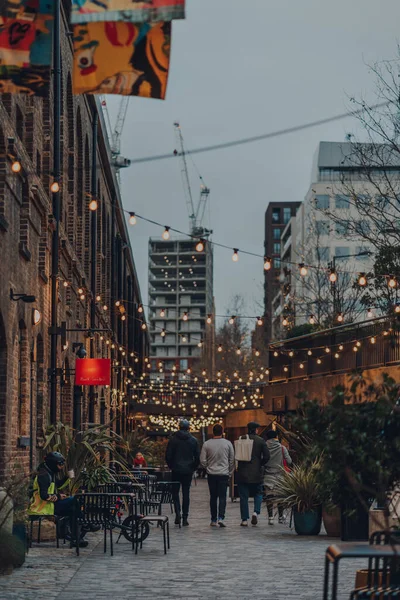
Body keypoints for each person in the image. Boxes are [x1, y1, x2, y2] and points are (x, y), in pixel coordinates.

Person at [28, 451, 88, 548]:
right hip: (42, 508)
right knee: (73, 500)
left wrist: (67, 477)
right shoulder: (43, 475)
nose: (62, 467)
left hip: (50, 505)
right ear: (53, 463)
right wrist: (59, 496)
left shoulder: (49, 472)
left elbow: (58, 485)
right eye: (60, 464)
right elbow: (44, 495)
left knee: (73, 510)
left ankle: (76, 539)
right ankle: (84, 524)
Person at [165, 419, 200, 526]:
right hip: (188, 470)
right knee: (186, 493)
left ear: (179, 427)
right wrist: (193, 467)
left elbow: (168, 456)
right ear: (188, 428)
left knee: (175, 493)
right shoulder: (193, 440)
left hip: (176, 470)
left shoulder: (173, 440)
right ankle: (185, 517)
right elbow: (197, 457)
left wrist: (172, 466)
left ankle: (177, 514)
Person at [200, 423, 235, 527]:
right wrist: (230, 472)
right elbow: (232, 459)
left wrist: (207, 467)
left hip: (212, 474)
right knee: (223, 497)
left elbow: (202, 460)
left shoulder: (206, 444)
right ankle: (221, 517)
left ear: (212, 432)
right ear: (222, 432)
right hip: (224, 473)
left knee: (213, 497)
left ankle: (213, 519)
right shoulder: (228, 443)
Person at [236, 421, 270, 527]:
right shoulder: (260, 441)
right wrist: (260, 464)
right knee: (258, 493)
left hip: (242, 472)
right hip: (256, 472)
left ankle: (244, 519)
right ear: (256, 430)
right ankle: (256, 512)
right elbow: (267, 456)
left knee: (243, 496)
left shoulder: (241, 439)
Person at [264, 429, 292, 525]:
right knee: (280, 496)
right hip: (280, 475)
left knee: (269, 496)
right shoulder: (282, 448)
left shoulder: (264, 447)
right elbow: (289, 461)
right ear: (276, 437)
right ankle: (280, 517)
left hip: (268, 474)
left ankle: (271, 518)